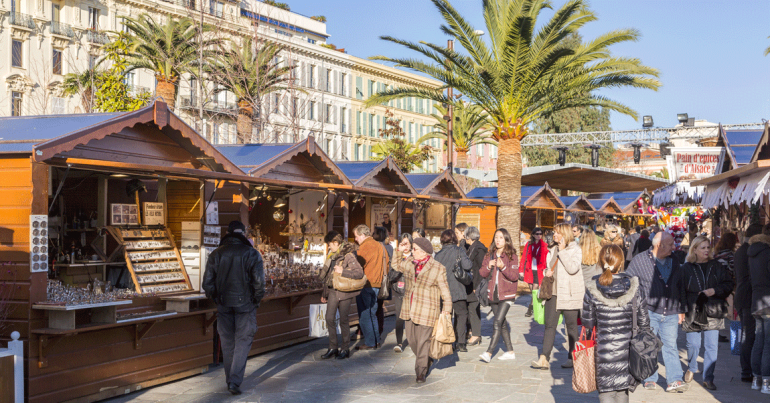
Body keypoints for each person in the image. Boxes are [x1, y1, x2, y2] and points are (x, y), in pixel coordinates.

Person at [202, 221, 265, 395]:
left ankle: (231, 379)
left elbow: (207, 284)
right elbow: (259, 284)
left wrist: (217, 298)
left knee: (228, 343)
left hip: (224, 304)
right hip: (246, 304)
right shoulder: (252, 253)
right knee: (243, 342)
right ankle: (234, 381)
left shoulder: (216, 254)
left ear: (228, 233)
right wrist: (255, 300)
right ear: (243, 233)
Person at [583, 244, 650, 403]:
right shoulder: (633, 286)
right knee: (622, 392)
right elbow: (644, 321)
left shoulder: (592, 288)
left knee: (606, 393)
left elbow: (588, 323)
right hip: (627, 350)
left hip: (603, 350)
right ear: (621, 263)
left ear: (601, 262)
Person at [626, 231, 688, 392]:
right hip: (649, 312)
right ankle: (649, 378)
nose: (674, 247)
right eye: (671, 245)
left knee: (671, 346)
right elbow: (629, 284)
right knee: (649, 346)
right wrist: (636, 308)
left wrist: (681, 309)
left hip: (671, 311)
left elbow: (680, 285)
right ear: (659, 246)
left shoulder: (674, 260)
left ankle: (674, 379)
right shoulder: (639, 260)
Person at [395, 237, 452, 383]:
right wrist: (398, 250)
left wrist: (447, 308)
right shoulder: (409, 263)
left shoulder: (438, 268)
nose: (412, 251)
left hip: (427, 310)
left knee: (423, 342)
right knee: (413, 342)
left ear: (424, 252)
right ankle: (426, 359)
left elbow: (445, 290)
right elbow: (396, 265)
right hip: (409, 309)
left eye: (414, 249)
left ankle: (420, 372)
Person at [681, 235, 734, 391]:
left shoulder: (717, 265)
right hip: (693, 309)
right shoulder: (686, 268)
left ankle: (708, 377)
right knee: (693, 344)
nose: (706, 250)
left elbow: (729, 284)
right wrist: (681, 309)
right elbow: (680, 290)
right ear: (695, 249)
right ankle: (691, 366)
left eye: (708, 247)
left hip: (713, 309)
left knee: (711, 346)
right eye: (702, 247)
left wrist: (714, 291)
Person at [532, 223, 582, 370]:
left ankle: (573, 358)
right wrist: (547, 272)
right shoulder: (552, 248)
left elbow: (573, 268)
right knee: (550, 325)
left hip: (569, 294)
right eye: (554, 232)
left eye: (557, 233)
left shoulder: (575, 250)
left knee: (571, 327)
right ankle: (544, 358)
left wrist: (563, 251)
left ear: (565, 234)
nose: (554, 235)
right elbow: (550, 266)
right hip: (552, 292)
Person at [318, 231, 364, 360]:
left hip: (345, 291)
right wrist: (324, 293)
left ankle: (345, 348)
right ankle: (333, 347)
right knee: (329, 318)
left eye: (330, 244)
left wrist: (343, 271)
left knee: (343, 320)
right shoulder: (331, 255)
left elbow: (359, 273)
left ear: (336, 243)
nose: (328, 246)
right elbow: (327, 276)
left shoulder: (348, 256)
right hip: (332, 291)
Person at [479, 228, 519, 362]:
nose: (498, 240)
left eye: (501, 237)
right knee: (501, 324)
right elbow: (482, 273)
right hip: (493, 294)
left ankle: (489, 353)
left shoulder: (512, 255)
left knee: (496, 322)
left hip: (507, 294)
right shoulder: (489, 254)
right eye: (496, 237)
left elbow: (514, 276)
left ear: (506, 239)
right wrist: (488, 266)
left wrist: (503, 268)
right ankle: (510, 351)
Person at [434, 229, 473, 352]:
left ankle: (449, 341)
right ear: (454, 239)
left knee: (446, 316)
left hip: (443, 290)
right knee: (461, 315)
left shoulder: (438, 255)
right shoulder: (459, 250)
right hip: (458, 289)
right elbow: (468, 266)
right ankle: (461, 343)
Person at [352, 224, 388, 350]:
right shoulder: (380, 246)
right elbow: (387, 265)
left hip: (366, 284)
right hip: (377, 284)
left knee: (365, 315)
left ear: (362, 235)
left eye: (356, 236)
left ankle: (370, 342)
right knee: (372, 314)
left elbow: (357, 265)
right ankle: (376, 340)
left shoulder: (365, 246)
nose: (355, 239)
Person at [735, 224, 762, 384]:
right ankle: (747, 371)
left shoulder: (741, 250)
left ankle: (747, 370)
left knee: (747, 335)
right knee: (750, 336)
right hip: (749, 297)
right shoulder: (751, 252)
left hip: (742, 295)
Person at [749, 225, 770, 393]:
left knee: (758, 341)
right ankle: (766, 382)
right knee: (767, 343)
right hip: (767, 301)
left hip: (756, 300)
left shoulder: (752, 253)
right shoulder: (768, 252)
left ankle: (756, 379)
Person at [713, 231, 739, 343]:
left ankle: (716, 333)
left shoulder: (717, 254)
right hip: (725, 284)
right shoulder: (730, 255)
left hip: (715, 284)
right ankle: (716, 333)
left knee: (718, 308)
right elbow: (734, 270)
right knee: (721, 308)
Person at [464, 226, 487, 346]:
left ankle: (476, 334)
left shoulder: (479, 248)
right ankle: (473, 331)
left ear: (469, 236)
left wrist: (476, 285)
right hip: (472, 283)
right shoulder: (473, 247)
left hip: (476, 283)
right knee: (471, 308)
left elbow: (479, 269)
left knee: (473, 308)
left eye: (465, 235)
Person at [391, 233, 413, 353]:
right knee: (399, 318)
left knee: (411, 318)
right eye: (402, 243)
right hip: (399, 291)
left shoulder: (415, 256)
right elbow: (394, 267)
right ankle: (399, 343)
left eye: (407, 243)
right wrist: (398, 251)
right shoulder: (398, 257)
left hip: (411, 291)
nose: (405, 246)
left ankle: (411, 340)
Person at [520, 227, 548, 317]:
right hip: (529, 270)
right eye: (537, 234)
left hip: (539, 270)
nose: (539, 235)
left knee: (535, 289)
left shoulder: (544, 245)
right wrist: (521, 271)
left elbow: (547, 259)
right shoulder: (528, 245)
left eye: (540, 234)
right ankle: (535, 306)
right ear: (533, 235)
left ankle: (530, 308)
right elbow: (523, 258)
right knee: (532, 291)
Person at [373, 226, 393, 336]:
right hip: (385, 280)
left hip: (377, 280)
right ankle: (379, 329)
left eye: (374, 233)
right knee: (379, 307)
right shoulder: (389, 247)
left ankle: (376, 331)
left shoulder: (378, 247)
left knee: (374, 307)